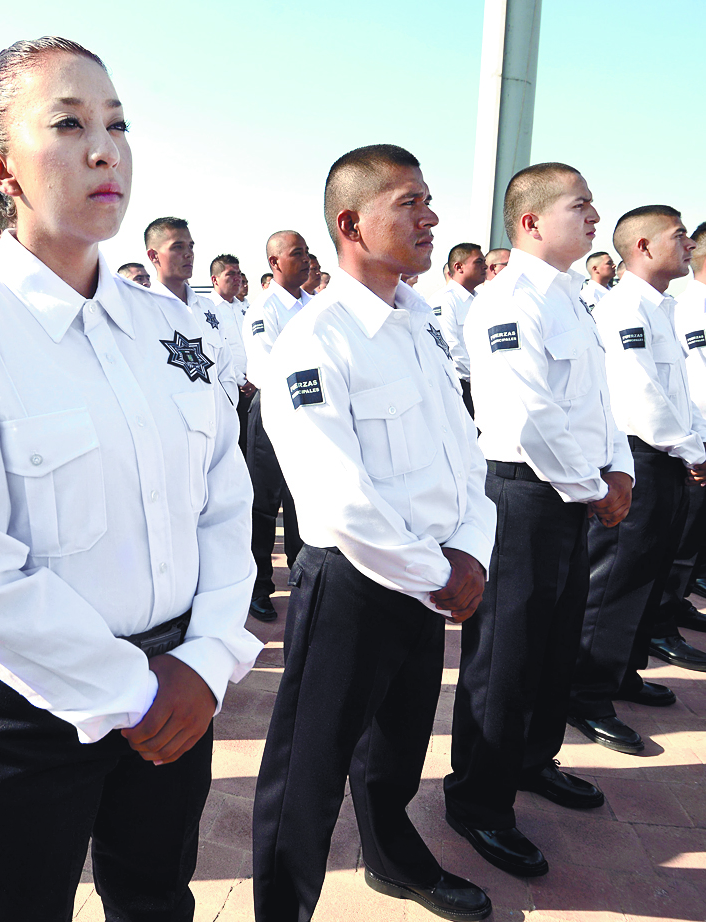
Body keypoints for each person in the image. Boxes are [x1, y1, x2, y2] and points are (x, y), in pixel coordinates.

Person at [0, 36, 261, 922]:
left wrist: (206, 661)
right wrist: (135, 691)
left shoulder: (168, 330)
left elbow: (224, 503)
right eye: (67, 125)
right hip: (29, 710)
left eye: (116, 123)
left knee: (153, 901)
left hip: (178, 687)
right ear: (2, 167)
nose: (105, 149)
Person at [253, 144, 495, 922]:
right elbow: (336, 492)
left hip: (431, 575)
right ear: (351, 222)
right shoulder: (316, 338)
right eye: (409, 204)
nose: (430, 218)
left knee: (395, 750)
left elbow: (464, 452)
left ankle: (393, 860)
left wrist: (470, 551)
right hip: (358, 581)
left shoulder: (418, 325)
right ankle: (282, 909)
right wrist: (439, 568)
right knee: (308, 773)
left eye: (429, 202)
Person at [447, 162, 633, 877]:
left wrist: (618, 470)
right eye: (579, 205)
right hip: (522, 495)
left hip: (574, 493)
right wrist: (594, 485)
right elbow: (527, 414)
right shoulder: (504, 299)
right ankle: (477, 801)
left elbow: (595, 402)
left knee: (553, 646)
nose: (593, 217)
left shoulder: (575, 300)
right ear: (529, 221)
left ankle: (531, 760)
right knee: (505, 657)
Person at [568, 206, 706, 755]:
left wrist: (691, 441)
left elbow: (683, 391)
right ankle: (586, 694)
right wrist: (694, 446)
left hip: (670, 456)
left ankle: (621, 672)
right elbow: (642, 394)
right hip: (641, 457)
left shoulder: (661, 306)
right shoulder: (626, 308)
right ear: (644, 246)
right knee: (616, 581)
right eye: (678, 236)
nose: (688, 244)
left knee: (648, 574)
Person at [241, 230, 311, 622]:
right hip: (273, 413)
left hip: (311, 415)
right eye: (296, 254)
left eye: (307, 253)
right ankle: (260, 587)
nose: (305, 260)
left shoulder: (314, 305)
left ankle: (303, 579)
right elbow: (266, 368)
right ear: (274, 262)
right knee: (264, 507)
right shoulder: (264, 309)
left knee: (303, 501)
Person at [145, 216, 238, 404]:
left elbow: (225, 369)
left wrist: (224, 410)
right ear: (154, 256)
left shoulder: (207, 308)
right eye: (178, 247)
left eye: (191, 246)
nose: (188, 254)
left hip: (218, 421)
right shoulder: (143, 310)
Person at [669, 221, 706, 629]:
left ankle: (674, 605)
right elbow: (695, 382)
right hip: (694, 439)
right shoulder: (688, 308)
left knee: (692, 537)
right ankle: (664, 618)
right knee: (680, 538)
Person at [429, 242, 487, 416]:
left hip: (479, 384)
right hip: (459, 385)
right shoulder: (445, 300)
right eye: (478, 262)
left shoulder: (480, 300)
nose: (485, 266)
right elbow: (449, 346)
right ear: (458, 267)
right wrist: (479, 376)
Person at [208, 254, 254, 453]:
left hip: (253, 385)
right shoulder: (207, 309)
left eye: (239, 274)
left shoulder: (246, 308)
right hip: (228, 388)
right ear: (215, 279)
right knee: (232, 445)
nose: (237, 279)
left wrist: (254, 377)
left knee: (252, 443)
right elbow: (217, 349)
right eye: (230, 274)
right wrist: (241, 380)